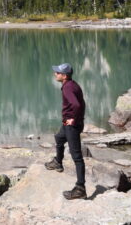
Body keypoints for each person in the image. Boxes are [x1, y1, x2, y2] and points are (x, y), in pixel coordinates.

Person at [45, 62, 87, 200]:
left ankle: (80, 188)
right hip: (69, 123)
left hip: (71, 126)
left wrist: (73, 120)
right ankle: (58, 161)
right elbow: (82, 103)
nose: (55, 74)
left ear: (64, 75)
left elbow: (76, 104)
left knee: (77, 157)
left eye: (57, 73)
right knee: (59, 138)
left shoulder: (68, 88)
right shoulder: (72, 84)